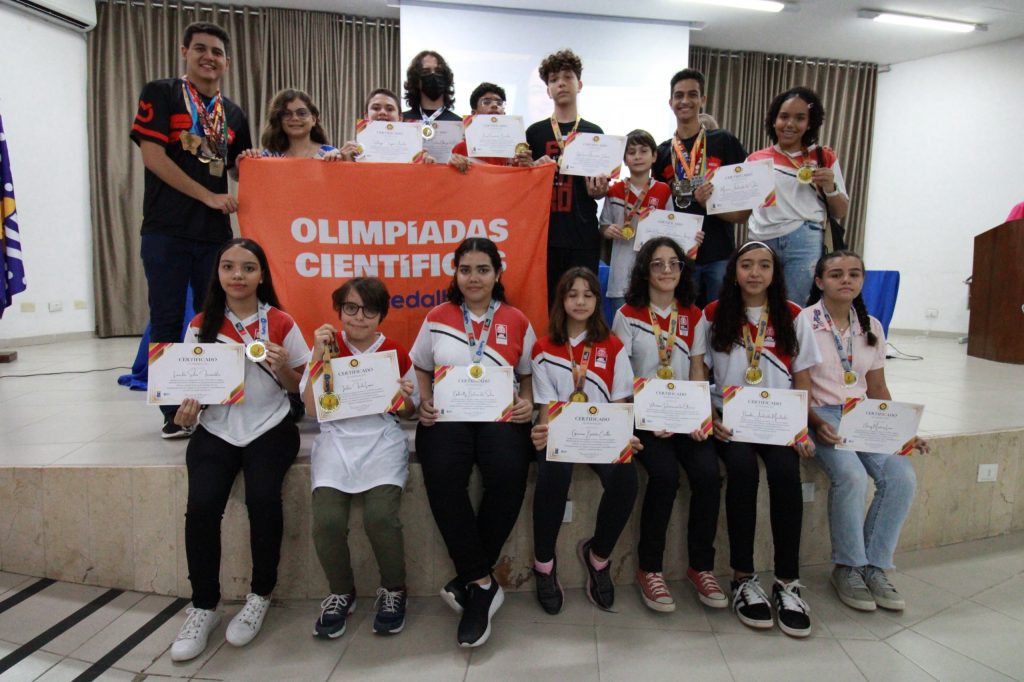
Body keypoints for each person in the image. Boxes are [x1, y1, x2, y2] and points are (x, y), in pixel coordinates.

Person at [168, 238, 309, 661]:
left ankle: (259, 596)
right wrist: (186, 413)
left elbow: (301, 388)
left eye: (248, 268)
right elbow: (191, 387)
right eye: (228, 267)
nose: (238, 275)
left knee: (264, 499)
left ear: (262, 275)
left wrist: (283, 368)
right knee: (202, 507)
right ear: (218, 274)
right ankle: (203, 606)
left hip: (270, 427)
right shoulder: (201, 324)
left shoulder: (281, 322)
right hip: (218, 429)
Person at [690, 241, 820, 638]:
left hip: (779, 421)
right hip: (732, 421)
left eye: (764, 265)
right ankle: (743, 578)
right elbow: (700, 372)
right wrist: (711, 417)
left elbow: (802, 376)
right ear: (734, 271)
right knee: (742, 471)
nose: (755, 273)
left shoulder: (793, 315)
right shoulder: (713, 314)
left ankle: (787, 582)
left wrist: (801, 427)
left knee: (785, 474)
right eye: (746, 265)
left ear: (775, 273)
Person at [410, 237, 536, 647]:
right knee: (443, 475)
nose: (474, 278)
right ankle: (482, 582)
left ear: (497, 274)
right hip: (448, 417)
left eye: (483, 269)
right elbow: (421, 366)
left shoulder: (516, 319)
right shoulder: (437, 316)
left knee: (509, 471)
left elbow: (527, 373)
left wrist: (527, 402)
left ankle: (471, 580)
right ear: (456, 274)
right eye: (465, 270)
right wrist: (424, 401)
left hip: (501, 417)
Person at [130, 21, 253, 438]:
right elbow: (153, 158)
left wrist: (261, 164)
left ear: (227, 61)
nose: (209, 57)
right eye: (200, 48)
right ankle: (172, 412)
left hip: (214, 235)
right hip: (165, 229)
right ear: (185, 52)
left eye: (217, 52)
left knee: (213, 318)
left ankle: (211, 402)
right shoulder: (161, 93)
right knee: (167, 320)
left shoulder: (233, 113)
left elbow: (237, 170)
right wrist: (208, 196)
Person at [801, 250, 927, 613]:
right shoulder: (804, 322)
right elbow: (800, 384)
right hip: (820, 414)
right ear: (819, 281)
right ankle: (848, 566)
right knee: (852, 476)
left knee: (901, 477)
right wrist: (814, 422)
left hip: (864, 415)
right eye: (836, 274)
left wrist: (902, 431)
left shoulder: (871, 325)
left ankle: (874, 566)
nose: (846, 280)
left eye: (854, 274)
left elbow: (878, 387)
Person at [611, 238, 724, 613]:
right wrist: (640, 418)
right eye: (657, 264)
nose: (666, 271)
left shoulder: (693, 315)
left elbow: (697, 369)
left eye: (673, 263)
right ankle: (650, 569)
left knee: (708, 475)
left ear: (682, 269)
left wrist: (700, 416)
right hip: (645, 418)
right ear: (645, 270)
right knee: (664, 476)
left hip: (685, 417)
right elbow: (622, 377)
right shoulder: (627, 314)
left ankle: (701, 567)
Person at [301, 277, 418, 639]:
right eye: (351, 308)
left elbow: (410, 411)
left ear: (381, 315)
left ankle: (394, 589)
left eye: (369, 310)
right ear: (339, 310)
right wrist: (318, 356)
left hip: (381, 441)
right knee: (327, 522)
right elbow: (311, 409)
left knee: (380, 518)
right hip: (336, 442)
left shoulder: (394, 352)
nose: (359, 317)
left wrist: (405, 398)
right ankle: (341, 592)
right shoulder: (327, 347)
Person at [529, 267, 640, 613]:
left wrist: (624, 437)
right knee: (553, 474)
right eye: (572, 294)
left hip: (601, 434)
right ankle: (544, 564)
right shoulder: (543, 348)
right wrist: (543, 432)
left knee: (626, 479)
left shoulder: (613, 346)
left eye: (588, 295)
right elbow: (545, 407)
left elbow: (621, 401)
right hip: (561, 433)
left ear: (597, 300)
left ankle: (598, 556)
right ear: (561, 300)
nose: (580, 301)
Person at [653, 69, 748, 308]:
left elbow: (744, 210)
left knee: (720, 318)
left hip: (719, 252)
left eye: (692, 94)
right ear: (670, 102)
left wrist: (712, 204)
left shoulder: (724, 141)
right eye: (679, 95)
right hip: (678, 256)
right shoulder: (662, 152)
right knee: (681, 318)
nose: (685, 101)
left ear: (703, 99)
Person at [746, 87, 850, 304]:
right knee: (758, 304)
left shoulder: (824, 157)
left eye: (800, 118)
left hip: (804, 240)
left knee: (795, 307)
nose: (790, 124)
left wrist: (830, 187)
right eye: (784, 116)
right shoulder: (755, 159)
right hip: (762, 239)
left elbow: (840, 211)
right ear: (774, 120)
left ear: (810, 123)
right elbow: (741, 209)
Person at [525, 49, 609, 304]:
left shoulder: (594, 133)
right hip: (544, 235)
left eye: (567, 77)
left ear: (579, 84)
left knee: (581, 302)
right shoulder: (534, 133)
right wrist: (533, 171)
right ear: (548, 90)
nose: (560, 83)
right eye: (553, 79)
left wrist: (600, 191)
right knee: (548, 304)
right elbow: (524, 187)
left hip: (582, 234)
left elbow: (600, 187)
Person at [599, 130, 674, 311]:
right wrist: (607, 230)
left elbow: (672, 229)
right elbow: (603, 225)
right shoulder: (614, 191)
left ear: (654, 156)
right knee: (621, 324)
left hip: (654, 276)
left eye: (643, 151)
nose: (637, 156)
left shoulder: (663, 190)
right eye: (631, 152)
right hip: (620, 276)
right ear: (624, 159)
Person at [448, 82, 533, 171]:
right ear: (474, 114)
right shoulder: (461, 148)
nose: (494, 105)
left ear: (504, 114)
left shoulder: (518, 150)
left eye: (499, 103)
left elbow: (523, 176)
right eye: (487, 102)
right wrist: (453, 166)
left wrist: (529, 166)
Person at [338, 89, 436, 164]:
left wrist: (426, 167)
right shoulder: (353, 152)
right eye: (376, 108)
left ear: (400, 118)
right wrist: (347, 163)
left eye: (389, 109)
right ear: (366, 116)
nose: (382, 112)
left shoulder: (415, 151)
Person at [240, 89, 341, 160]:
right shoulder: (268, 157)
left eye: (302, 113)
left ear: (313, 120)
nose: (295, 118)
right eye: (286, 114)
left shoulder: (331, 155)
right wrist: (245, 161)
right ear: (279, 120)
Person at [402, 50, 461, 124]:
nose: (433, 75)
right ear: (416, 80)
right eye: (426, 72)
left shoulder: (460, 124)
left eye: (438, 71)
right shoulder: (401, 121)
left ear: (446, 79)